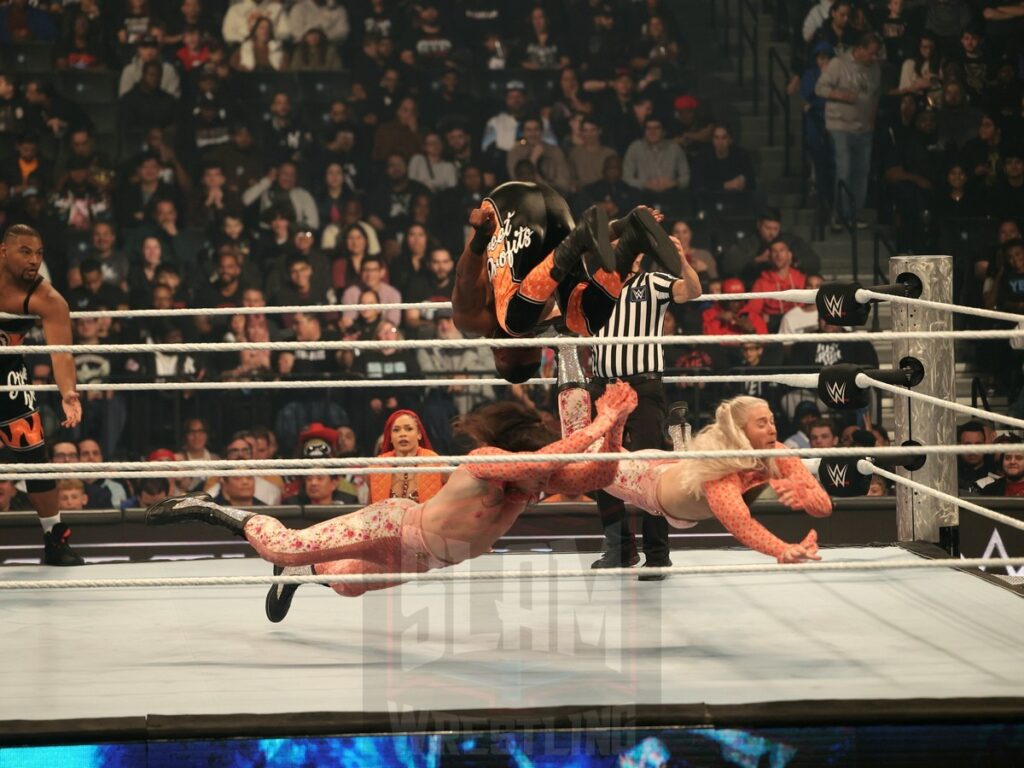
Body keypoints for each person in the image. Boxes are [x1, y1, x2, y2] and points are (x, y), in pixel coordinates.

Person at [146, 382, 637, 622]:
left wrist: (613, 426)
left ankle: (302, 576)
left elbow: (599, 474)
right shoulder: (489, 460)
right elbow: (536, 464)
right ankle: (218, 510)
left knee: (346, 588)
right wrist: (596, 423)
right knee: (283, 547)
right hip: (394, 525)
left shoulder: (531, 483)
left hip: (423, 558)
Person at [563, 390, 833, 563]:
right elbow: (742, 526)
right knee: (584, 448)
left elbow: (824, 508)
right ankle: (567, 348)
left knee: (685, 468)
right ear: (740, 430)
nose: (772, 429)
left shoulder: (778, 452)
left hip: (680, 481)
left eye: (772, 421)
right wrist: (782, 549)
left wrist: (806, 492)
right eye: (761, 424)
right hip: (647, 481)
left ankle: (679, 439)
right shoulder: (721, 476)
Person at [452, 181, 681, 383]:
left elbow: (465, 277)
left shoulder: (474, 321)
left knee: (514, 322)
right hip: (555, 207)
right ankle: (632, 241)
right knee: (582, 320)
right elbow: (574, 252)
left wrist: (481, 236)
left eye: (528, 344)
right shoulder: (539, 314)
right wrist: (620, 229)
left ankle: (591, 235)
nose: (534, 337)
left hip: (507, 205)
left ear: (502, 353)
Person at [587, 238, 702, 579]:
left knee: (652, 467)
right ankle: (619, 549)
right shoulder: (595, 289)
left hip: (644, 386)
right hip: (604, 388)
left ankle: (657, 554)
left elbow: (691, 292)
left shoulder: (650, 282)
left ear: (636, 258)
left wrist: (681, 259)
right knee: (601, 471)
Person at [0, 224, 84, 565]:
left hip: (10, 376)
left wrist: (68, 394)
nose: (34, 261)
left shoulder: (46, 298)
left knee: (34, 458)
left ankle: (54, 540)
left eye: (39, 254)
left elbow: (61, 352)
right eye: (25, 252)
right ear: (3, 251)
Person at [368, 410, 444, 504]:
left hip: (427, 518)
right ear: (390, 437)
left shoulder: (438, 464)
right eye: (396, 430)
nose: (402, 434)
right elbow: (369, 511)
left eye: (409, 429)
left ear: (419, 434)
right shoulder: (375, 468)